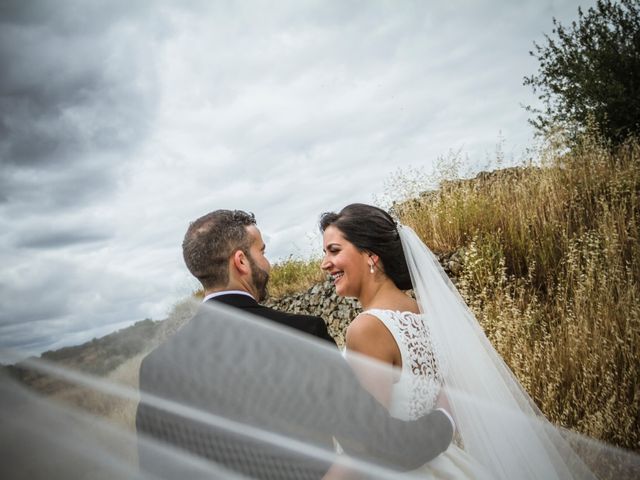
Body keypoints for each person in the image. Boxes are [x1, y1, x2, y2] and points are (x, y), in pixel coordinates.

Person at [135, 209, 456, 479]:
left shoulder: (156, 367)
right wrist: (445, 420)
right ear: (241, 262)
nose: (269, 264)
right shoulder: (301, 334)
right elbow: (378, 445)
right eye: (261, 251)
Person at [319, 203, 599, 480]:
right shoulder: (427, 315)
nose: (324, 263)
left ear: (370, 255)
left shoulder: (367, 328)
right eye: (324, 253)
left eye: (334, 250)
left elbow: (369, 449)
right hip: (443, 462)